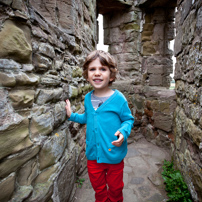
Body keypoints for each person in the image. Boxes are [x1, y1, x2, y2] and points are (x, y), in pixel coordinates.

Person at [65, 50, 134, 202]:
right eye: (92, 69)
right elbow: (87, 118)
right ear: (86, 74)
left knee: (115, 189)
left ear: (112, 75)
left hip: (114, 155)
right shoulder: (88, 98)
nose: (97, 73)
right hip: (93, 156)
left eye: (102, 69)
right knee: (99, 189)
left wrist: (123, 132)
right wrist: (71, 115)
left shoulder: (118, 99)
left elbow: (128, 120)